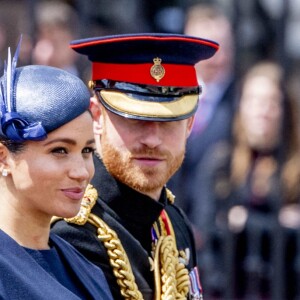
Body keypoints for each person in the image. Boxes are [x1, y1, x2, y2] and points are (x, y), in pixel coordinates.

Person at [51, 33, 219, 299]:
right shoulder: (73, 234)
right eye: (135, 120)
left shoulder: (174, 223)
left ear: (189, 125)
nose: (152, 139)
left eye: (168, 121)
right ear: (97, 116)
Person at [0, 40, 113, 299]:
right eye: (60, 150)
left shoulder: (85, 270)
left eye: (87, 151)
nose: (81, 172)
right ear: (3, 157)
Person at [190, 61, 300, 298]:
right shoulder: (222, 162)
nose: (264, 111)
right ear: (242, 106)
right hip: (227, 287)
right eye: (256, 101)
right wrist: (279, 223)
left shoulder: (295, 167)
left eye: (273, 102)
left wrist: (243, 220)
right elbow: (206, 226)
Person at [168, 3, 237, 233]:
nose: (217, 58)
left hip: (219, 233)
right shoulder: (169, 94)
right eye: (208, 48)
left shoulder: (242, 100)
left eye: (223, 47)